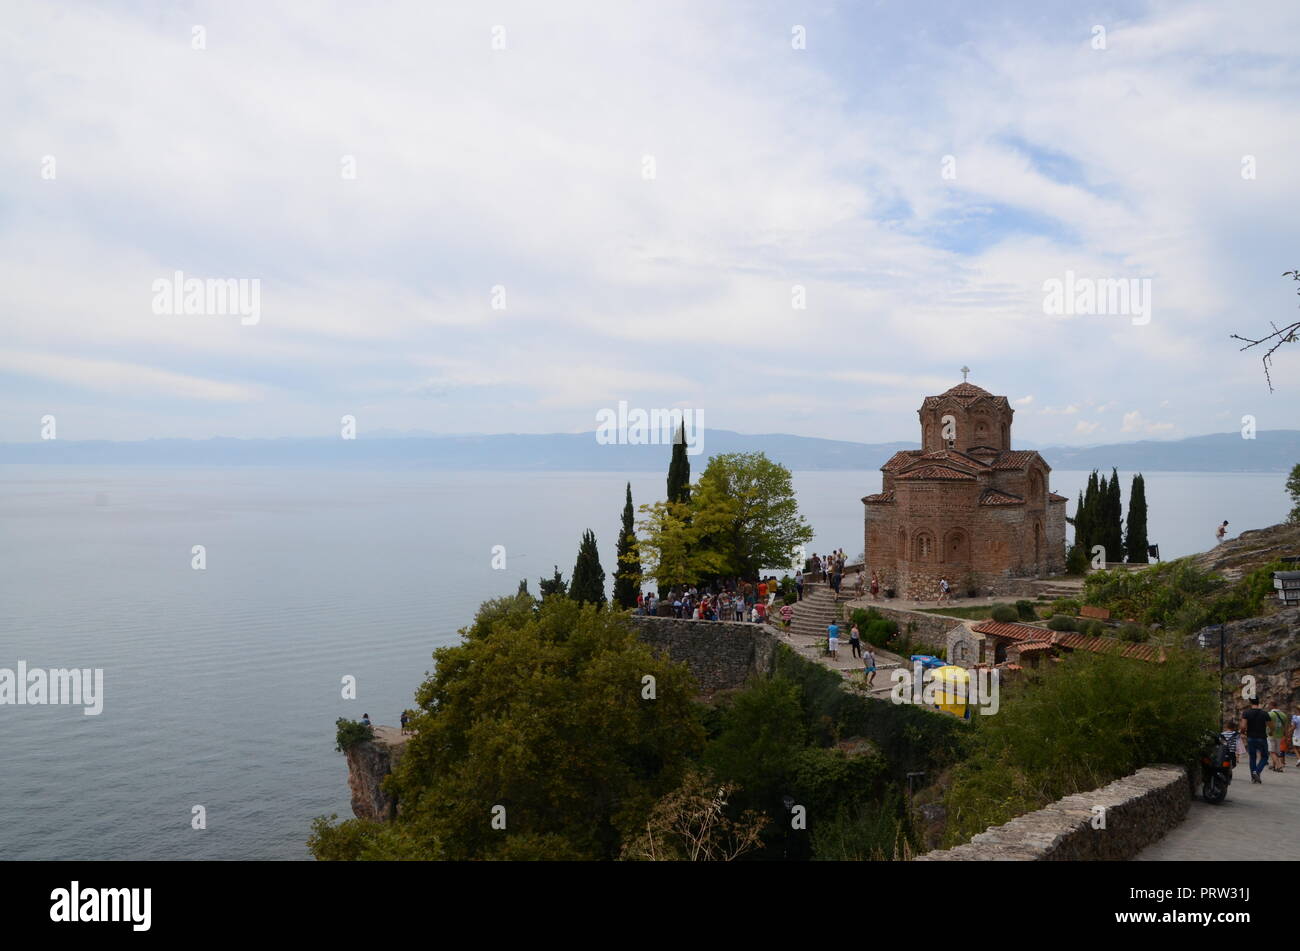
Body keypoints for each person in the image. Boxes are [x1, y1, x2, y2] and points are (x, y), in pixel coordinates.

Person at [1241, 697, 1270, 783]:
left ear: (1250, 703)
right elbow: (1271, 726)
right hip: (1262, 738)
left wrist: (1243, 732)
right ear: (1258, 702)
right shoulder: (1264, 714)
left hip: (1250, 738)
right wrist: (1271, 732)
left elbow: (1243, 726)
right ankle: (1257, 772)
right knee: (1265, 756)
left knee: (1252, 757)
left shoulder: (1246, 713)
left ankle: (1254, 776)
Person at [1268, 707, 1289, 771]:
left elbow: (1266, 724)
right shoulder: (1284, 715)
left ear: (1271, 706)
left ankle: (1279, 765)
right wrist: (1286, 736)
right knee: (1276, 752)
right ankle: (1275, 766)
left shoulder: (1269, 714)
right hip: (1280, 736)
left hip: (1271, 735)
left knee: (1272, 752)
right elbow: (1285, 727)